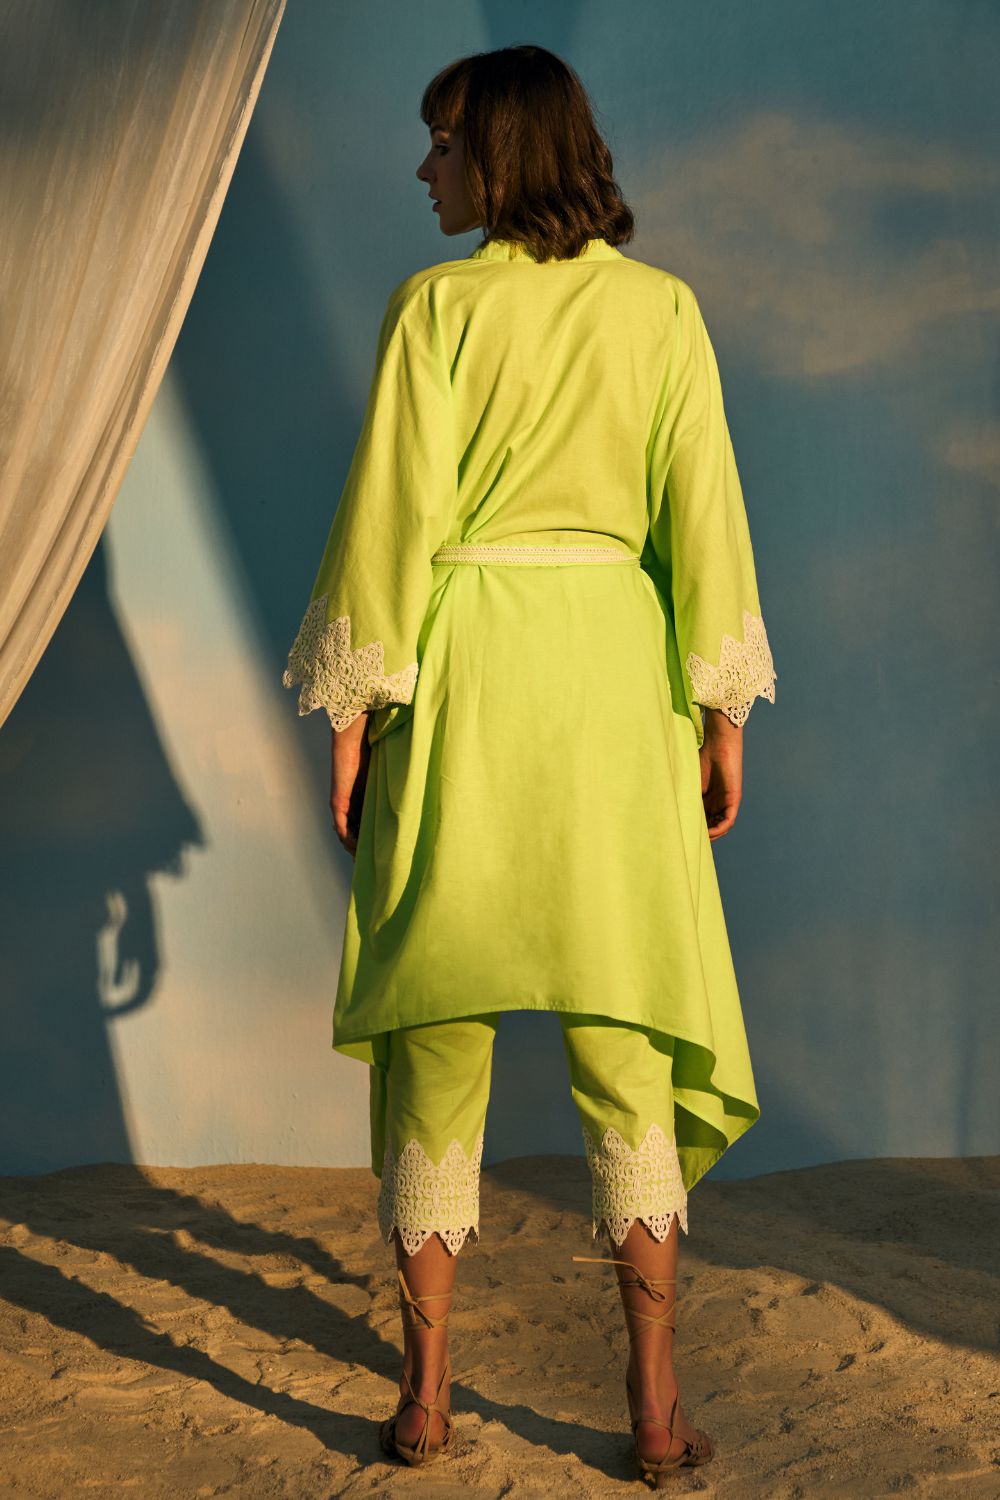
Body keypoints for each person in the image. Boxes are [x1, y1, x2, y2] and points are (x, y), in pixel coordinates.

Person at [283, 43, 776, 1485]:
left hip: (472, 684)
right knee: (628, 1039)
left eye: (443, 143)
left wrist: (353, 715)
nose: (424, 167)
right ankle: (654, 1406)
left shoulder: (435, 310)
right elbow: (706, 515)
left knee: (438, 1035)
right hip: (615, 695)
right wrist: (723, 712)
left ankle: (427, 1398)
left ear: (499, 155)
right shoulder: (662, 311)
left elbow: (392, 515)